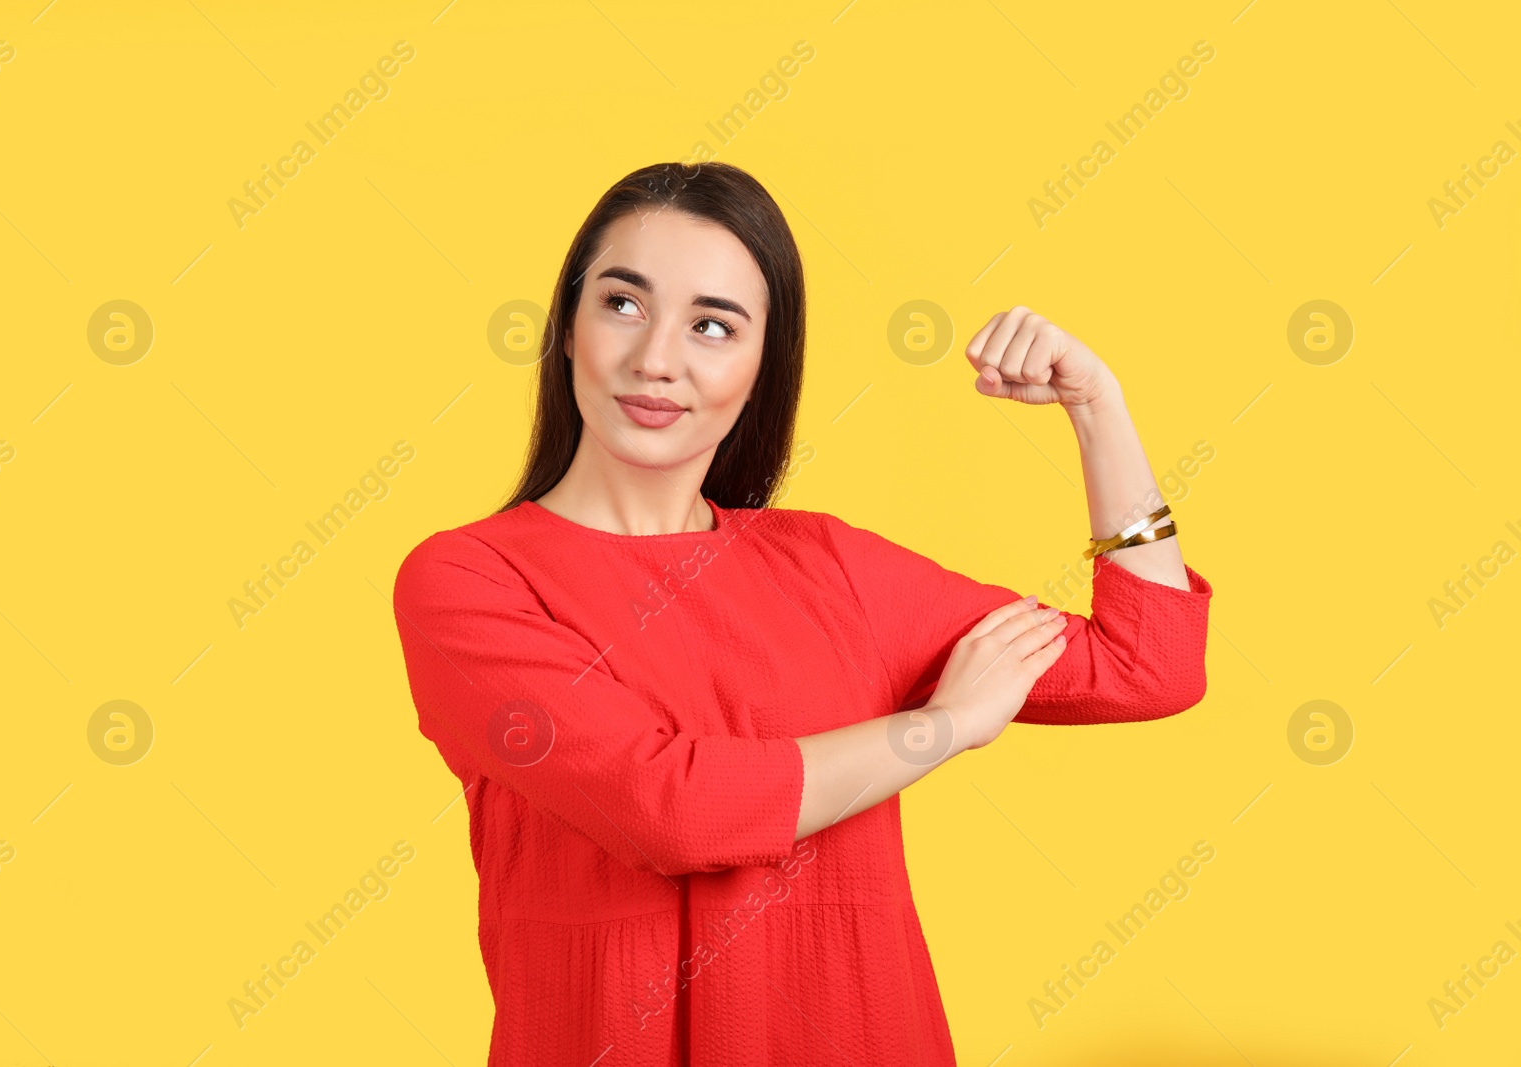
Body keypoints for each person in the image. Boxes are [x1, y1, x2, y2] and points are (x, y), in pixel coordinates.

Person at [390, 161, 1213, 1066]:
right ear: (569, 327)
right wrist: (936, 730)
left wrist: (1100, 410)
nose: (656, 357)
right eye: (623, 303)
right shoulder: (468, 581)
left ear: (760, 366)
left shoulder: (826, 565)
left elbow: (1150, 664)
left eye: (712, 325)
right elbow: (667, 808)